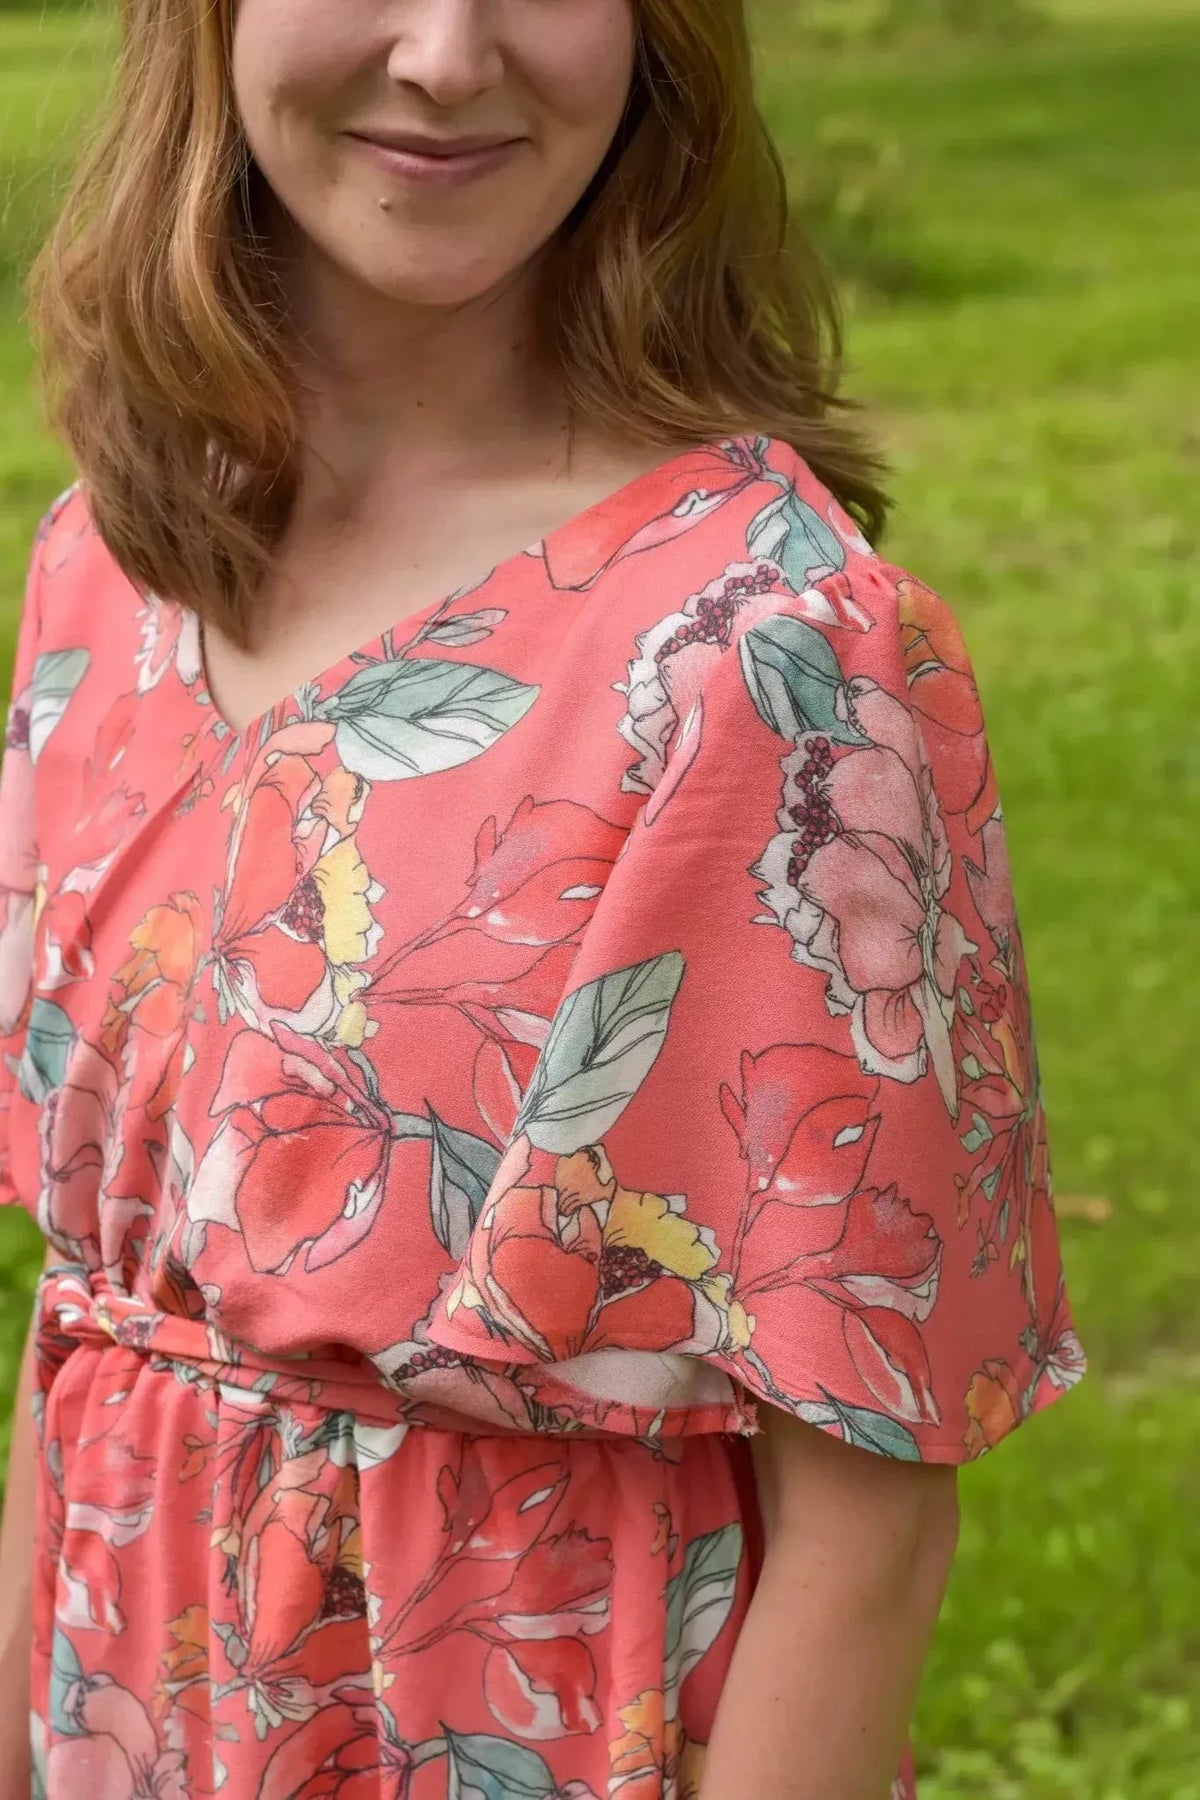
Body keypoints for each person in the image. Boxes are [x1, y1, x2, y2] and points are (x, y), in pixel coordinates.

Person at [0, 2, 1087, 1795]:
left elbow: (868, 1532)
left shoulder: (768, 655)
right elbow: (93, 1327)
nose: (446, 53)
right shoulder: (107, 567)